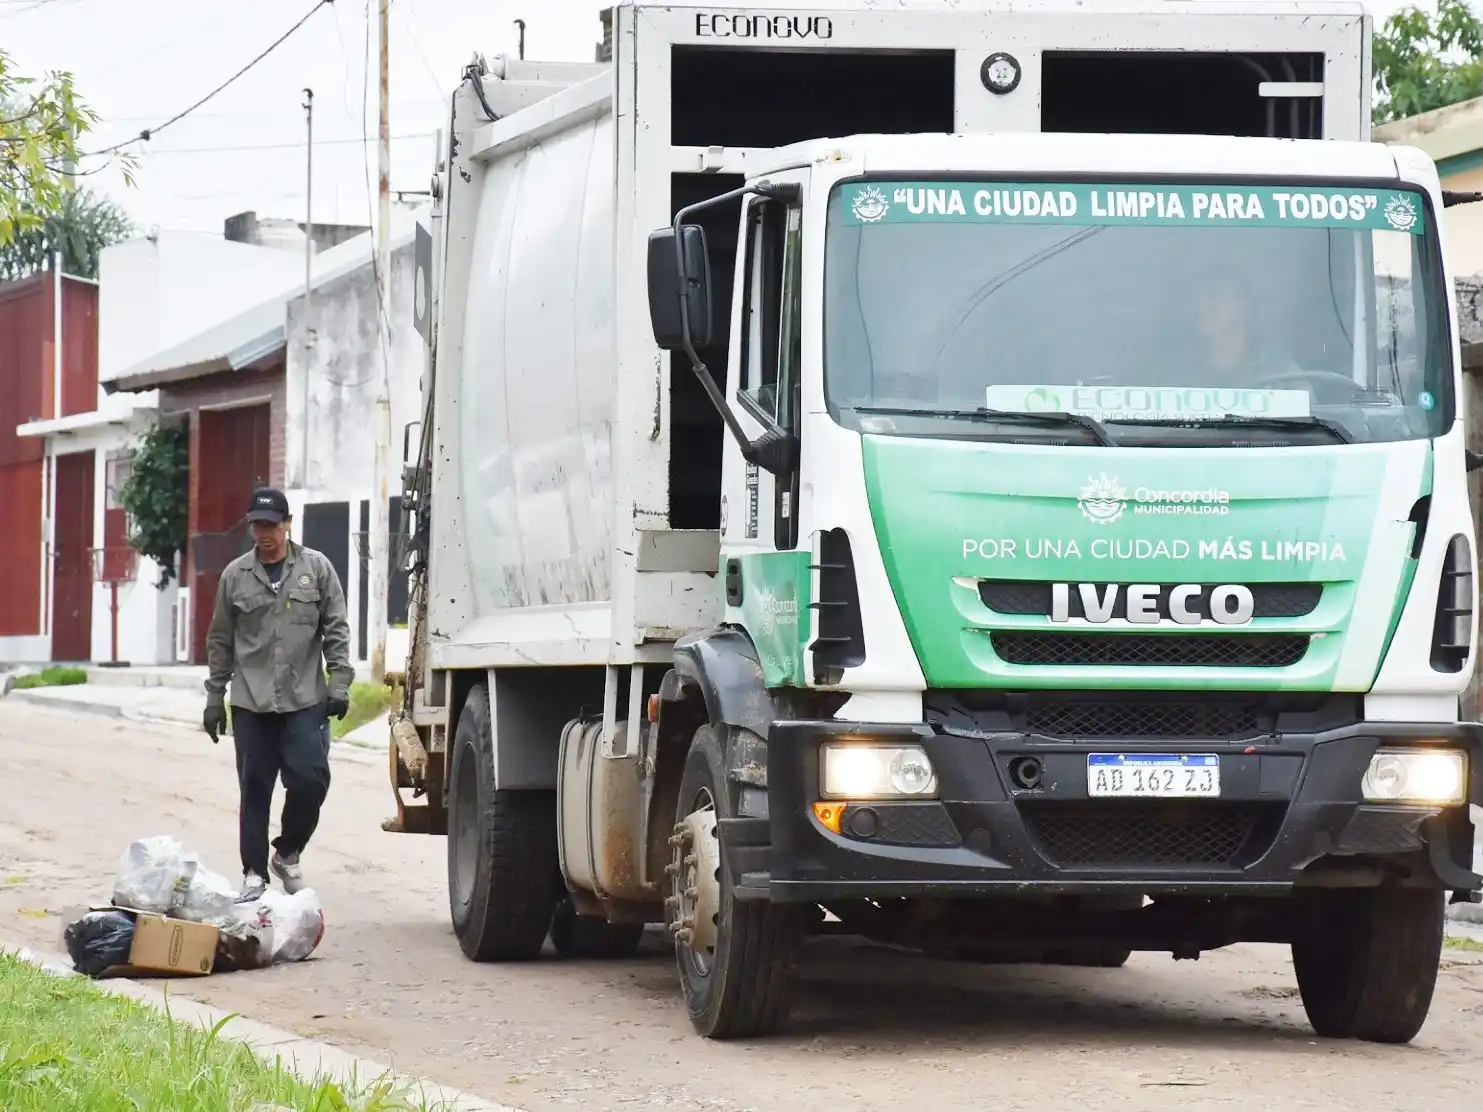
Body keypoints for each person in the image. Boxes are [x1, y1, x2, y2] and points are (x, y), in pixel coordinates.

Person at [204, 487, 354, 902]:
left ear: (288, 524)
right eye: (257, 525)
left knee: (311, 781)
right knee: (254, 789)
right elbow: (220, 640)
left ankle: (287, 853)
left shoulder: (316, 568)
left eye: (271, 525)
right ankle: (254, 873)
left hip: (304, 698)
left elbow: (336, 629)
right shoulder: (235, 575)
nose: (264, 533)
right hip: (251, 701)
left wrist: (339, 684)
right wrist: (215, 697)